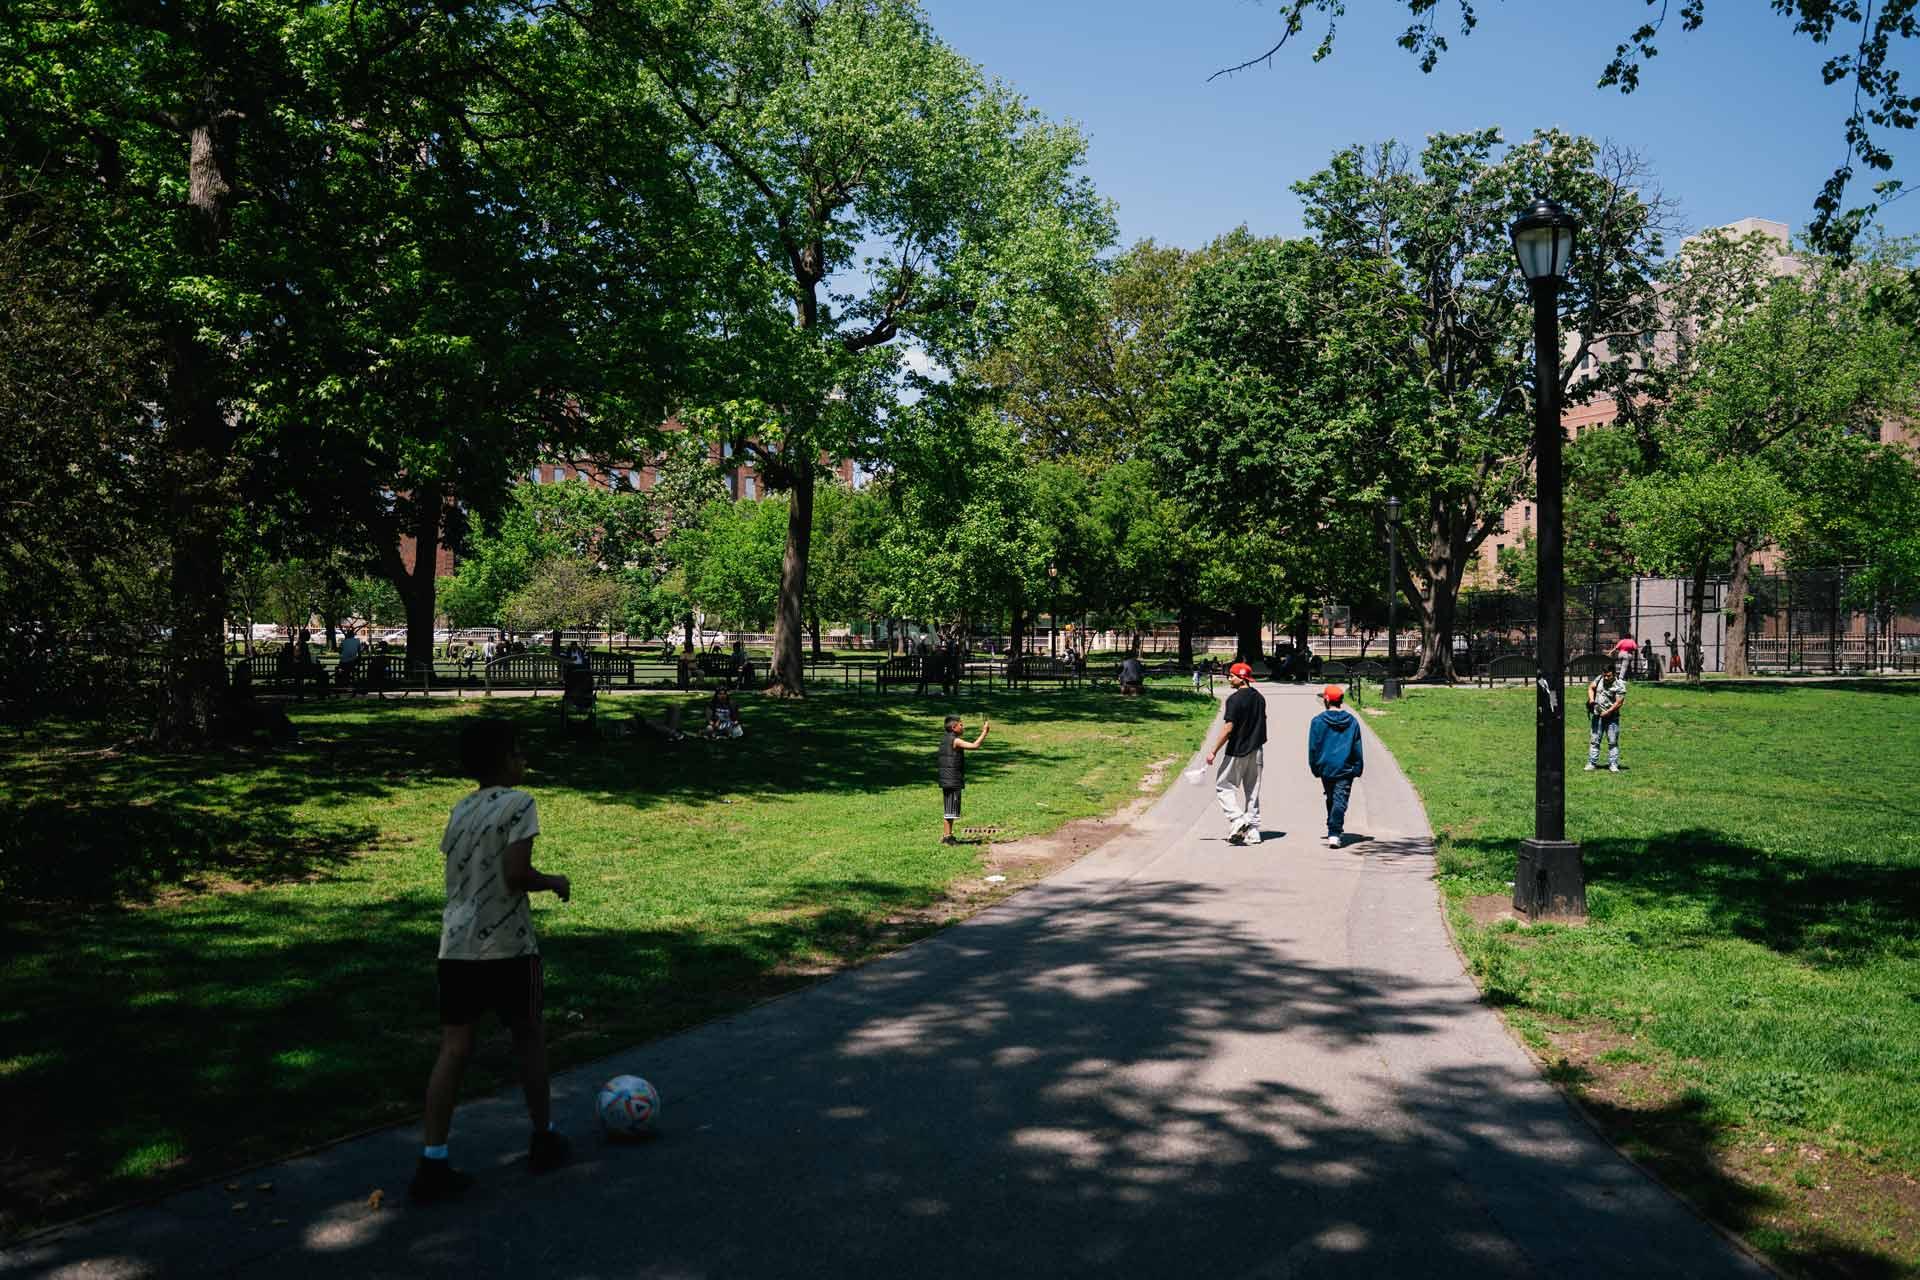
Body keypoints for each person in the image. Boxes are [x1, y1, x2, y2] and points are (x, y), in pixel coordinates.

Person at [411, 720, 571, 1205]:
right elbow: (515, 873)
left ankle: (432, 1159)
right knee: (528, 1037)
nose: (524, 759)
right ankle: (544, 1137)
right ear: (504, 761)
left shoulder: (460, 808)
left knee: (454, 1048)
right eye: (519, 751)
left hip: (456, 945)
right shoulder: (520, 804)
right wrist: (555, 881)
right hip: (507, 945)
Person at [1204, 661, 1266, 845]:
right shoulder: (1259, 698)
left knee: (1223, 785)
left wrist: (1213, 751)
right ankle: (1254, 831)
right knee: (1252, 790)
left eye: (1232, 676)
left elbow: (1229, 727)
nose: (1229, 678)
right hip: (1257, 750)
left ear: (1242, 678)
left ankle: (1237, 819)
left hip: (1237, 749)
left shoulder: (1234, 699)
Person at [1307, 684, 1365, 849]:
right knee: (1339, 799)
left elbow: (1313, 747)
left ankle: (1333, 828)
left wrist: (1314, 766)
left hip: (1325, 766)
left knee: (1333, 797)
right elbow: (1357, 745)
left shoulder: (1318, 721)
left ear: (1326, 699)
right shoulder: (1352, 721)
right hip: (1345, 766)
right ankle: (1334, 831)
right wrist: (1358, 766)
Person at [938, 713, 990, 844]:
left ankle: (947, 836)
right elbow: (975, 746)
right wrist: (985, 732)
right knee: (950, 811)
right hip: (952, 779)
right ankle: (947, 837)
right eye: (961, 725)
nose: (963, 727)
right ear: (954, 727)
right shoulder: (955, 740)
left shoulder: (945, 739)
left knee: (949, 809)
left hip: (947, 779)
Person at [1585, 666, 1627, 772]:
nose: (1606, 678)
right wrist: (1591, 699)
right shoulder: (1599, 678)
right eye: (1605, 675)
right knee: (1595, 741)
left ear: (1614, 674)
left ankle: (1613, 765)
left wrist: (1608, 712)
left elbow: (1619, 703)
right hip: (1597, 715)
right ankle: (1591, 763)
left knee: (1612, 742)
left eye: (1609, 675)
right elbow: (1591, 687)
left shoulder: (1620, 685)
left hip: (1612, 717)